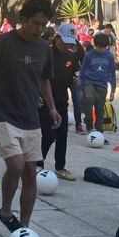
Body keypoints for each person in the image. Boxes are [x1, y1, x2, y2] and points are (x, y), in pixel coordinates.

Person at [0, 0, 59, 231]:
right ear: (23, 20)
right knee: (17, 165)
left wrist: (51, 107)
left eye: (44, 25)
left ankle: (24, 228)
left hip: (30, 116)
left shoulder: (44, 48)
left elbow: (44, 80)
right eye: (36, 23)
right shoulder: (2, 43)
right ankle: (6, 210)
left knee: (30, 172)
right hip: (1, 113)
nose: (39, 29)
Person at [37, 24, 83, 181]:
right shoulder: (46, 53)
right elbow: (39, 77)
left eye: (70, 43)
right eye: (64, 42)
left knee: (62, 134)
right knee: (48, 135)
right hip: (44, 100)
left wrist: (75, 79)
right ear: (56, 38)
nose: (67, 46)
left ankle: (60, 166)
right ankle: (38, 163)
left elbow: (74, 72)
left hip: (62, 99)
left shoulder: (72, 55)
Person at [79, 32, 116, 134]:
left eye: (104, 47)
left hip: (102, 84)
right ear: (95, 45)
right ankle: (89, 124)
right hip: (89, 82)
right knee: (89, 99)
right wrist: (82, 88)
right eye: (99, 47)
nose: (101, 49)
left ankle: (99, 131)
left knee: (100, 109)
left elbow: (112, 73)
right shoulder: (89, 55)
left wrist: (113, 90)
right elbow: (83, 71)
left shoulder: (109, 56)